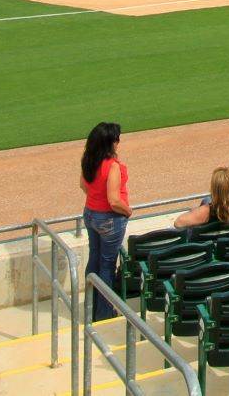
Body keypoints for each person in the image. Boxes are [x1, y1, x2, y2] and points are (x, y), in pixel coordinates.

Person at [79, 122, 132, 320]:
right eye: (116, 140)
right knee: (107, 266)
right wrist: (128, 211)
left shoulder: (88, 160)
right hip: (109, 220)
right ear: (110, 143)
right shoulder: (112, 167)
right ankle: (104, 314)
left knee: (94, 259)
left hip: (90, 214)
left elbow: (83, 185)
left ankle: (90, 308)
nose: (118, 143)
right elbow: (114, 200)